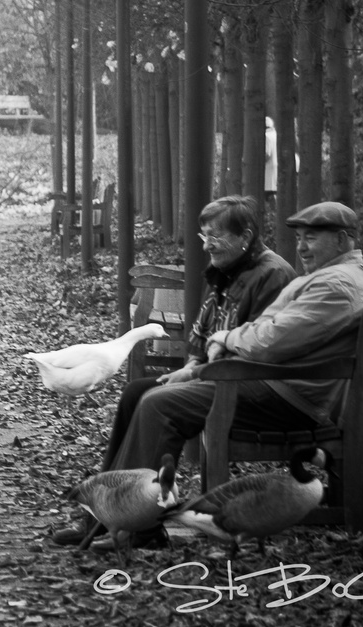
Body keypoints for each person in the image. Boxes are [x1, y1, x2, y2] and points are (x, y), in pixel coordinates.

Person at [50, 199, 363, 547]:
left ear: (342, 240)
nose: (302, 246)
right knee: (139, 395)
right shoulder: (324, 279)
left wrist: (226, 340)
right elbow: (267, 327)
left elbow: (270, 338)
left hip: (286, 393)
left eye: (312, 237)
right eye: (300, 237)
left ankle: (136, 525)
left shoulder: (335, 285)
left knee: (158, 404)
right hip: (271, 381)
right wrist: (214, 352)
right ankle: (106, 516)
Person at [98, 196, 295, 471]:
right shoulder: (226, 268)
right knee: (135, 392)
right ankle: (110, 491)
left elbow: (256, 350)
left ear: (245, 236)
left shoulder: (273, 276)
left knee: (157, 403)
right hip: (219, 377)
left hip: (253, 388)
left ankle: (137, 503)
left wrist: (193, 374)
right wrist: (191, 365)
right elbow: (205, 335)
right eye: (205, 235)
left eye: (216, 235)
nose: (206, 244)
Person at [264, 117, 278, 201]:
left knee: (268, 192)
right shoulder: (275, 134)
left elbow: (267, 154)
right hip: (275, 167)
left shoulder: (266, 136)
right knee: (274, 191)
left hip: (268, 168)